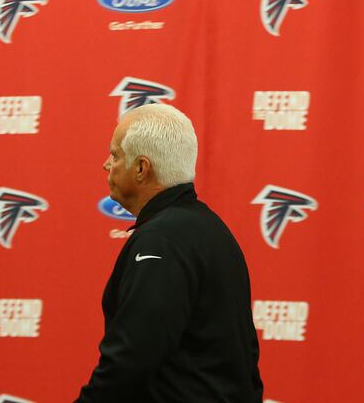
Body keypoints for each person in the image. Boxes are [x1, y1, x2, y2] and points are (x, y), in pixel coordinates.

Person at [76, 104, 263, 402]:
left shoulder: (161, 240)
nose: (106, 165)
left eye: (115, 155)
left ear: (141, 168)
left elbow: (131, 360)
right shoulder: (211, 230)